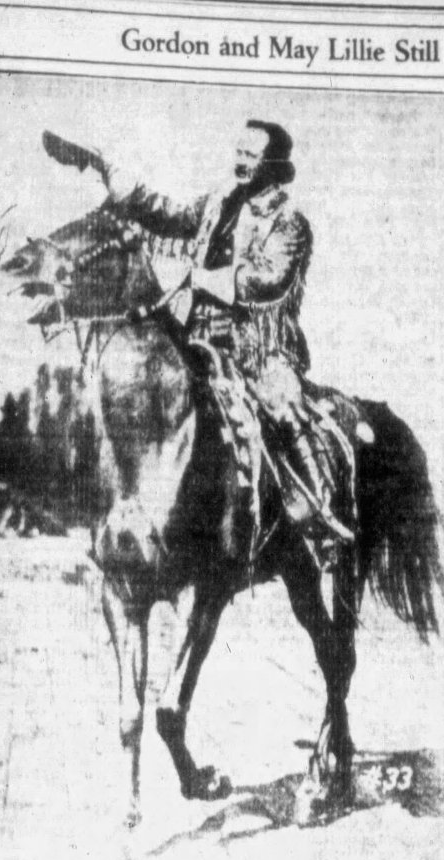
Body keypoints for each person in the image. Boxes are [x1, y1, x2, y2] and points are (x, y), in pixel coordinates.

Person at [88, 119, 356, 546]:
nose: (241, 162)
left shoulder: (290, 224)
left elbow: (266, 280)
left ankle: (318, 511)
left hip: (260, 351)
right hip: (197, 338)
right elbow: (169, 216)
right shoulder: (218, 202)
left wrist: (202, 277)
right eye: (239, 152)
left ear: (274, 165)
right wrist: (111, 173)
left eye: (252, 156)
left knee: (281, 407)